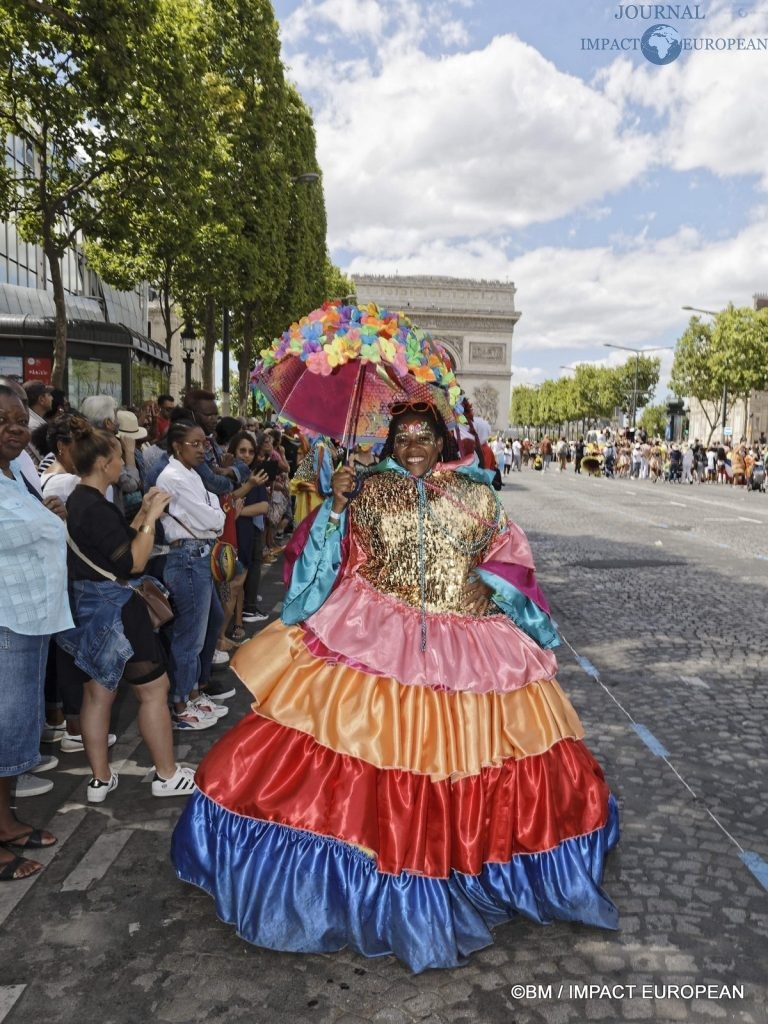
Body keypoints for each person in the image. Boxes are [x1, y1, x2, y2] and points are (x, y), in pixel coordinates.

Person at [171, 398, 618, 973]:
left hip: (469, 651)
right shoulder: (363, 491)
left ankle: (470, 864)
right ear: (390, 442)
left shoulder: (477, 495)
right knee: (348, 758)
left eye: (423, 437)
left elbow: (509, 558)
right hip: (376, 641)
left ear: (442, 442)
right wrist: (336, 506)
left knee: (478, 764)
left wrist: (499, 594)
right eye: (402, 437)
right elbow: (322, 564)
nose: (412, 447)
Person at [58, 417, 196, 801]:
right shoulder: (94, 506)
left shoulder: (82, 500)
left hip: (88, 608)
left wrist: (141, 515)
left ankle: (99, 780)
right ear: (104, 462)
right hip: (117, 611)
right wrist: (151, 519)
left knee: (96, 693)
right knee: (153, 689)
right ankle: (166, 775)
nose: (123, 464)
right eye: (119, 456)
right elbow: (133, 563)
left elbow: (115, 544)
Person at [0, 383, 73, 879]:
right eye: (3, 420)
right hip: (6, 621)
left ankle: (4, 822)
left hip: (28, 620)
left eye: (20, 419)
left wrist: (46, 517)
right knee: (3, 729)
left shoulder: (13, 473)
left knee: (16, 729)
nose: (15, 428)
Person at [156, 421, 229, 730]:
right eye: (195, 444)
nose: (202, 449)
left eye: (204, 444)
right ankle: (181, 702)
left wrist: (214, 510)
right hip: (187, 556)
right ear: (177, 446)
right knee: (190, 635)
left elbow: (216, 517)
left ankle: (195, 691)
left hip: (199, 554)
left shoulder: (190, 474)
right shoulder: (172, 477)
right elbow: (213, 516)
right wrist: (215, 510)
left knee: (210, 620)